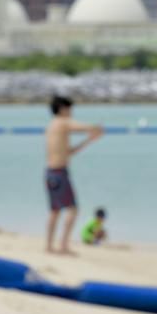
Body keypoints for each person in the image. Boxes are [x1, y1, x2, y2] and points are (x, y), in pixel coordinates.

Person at [44, 95, 103, 255]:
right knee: (72, 209)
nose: (71, 112)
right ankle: (63, 246)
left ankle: (49, 246)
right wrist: (96, 128)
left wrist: (88, 140)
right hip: (59, 173)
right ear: (63, 108)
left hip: (50, 172)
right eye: (69, 109)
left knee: (55, 210)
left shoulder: (51, 126)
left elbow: (68, 152)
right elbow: (80, 126)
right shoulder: (62, 122)